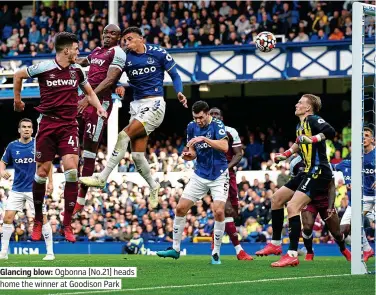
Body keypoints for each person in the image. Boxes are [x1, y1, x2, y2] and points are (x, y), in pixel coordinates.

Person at [13, 32, 107, 243]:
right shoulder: (44, 68)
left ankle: (67, 223)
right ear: (66, 50)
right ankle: (38, 219)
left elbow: (90, 93)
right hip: (47, 124)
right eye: (75, 48)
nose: (78, 52)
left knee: (72, 171)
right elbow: (18, 75)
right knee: (41, 173)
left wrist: (99, 108)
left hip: (68, 126)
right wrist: (17, 101)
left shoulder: (78, 71)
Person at [79, 27, 187, 209]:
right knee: (137, 156)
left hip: (154, 104)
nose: (126, 43)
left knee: (123, 135)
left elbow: (175, 75)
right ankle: (154, 185)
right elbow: (113, 77)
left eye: (130, 40)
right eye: (125, 41)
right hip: (136, 106)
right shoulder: (125, 58)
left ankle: (101, 177)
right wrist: (120, 86)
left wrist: (179, 92)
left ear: (141, 39)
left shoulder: (158, 53)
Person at [255, 94, 336, 267]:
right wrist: (284, 155)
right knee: (276, 199)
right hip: (306, 171)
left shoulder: (314, 119)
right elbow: (299, 143)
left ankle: (292, 253)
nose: (296, 104)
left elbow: (330, 131)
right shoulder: (301, 125)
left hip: (319, 171)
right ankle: (275, 245)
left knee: (293, 206)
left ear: (308, 108)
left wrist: (313, 139)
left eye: (300, 102)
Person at [156, 101, 228, 264]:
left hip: (219, 174)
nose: (198, 121)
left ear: (208, 114)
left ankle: (216, 253)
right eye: (195, 118)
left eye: (201, 118)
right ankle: (175, 249)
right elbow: (193, 151)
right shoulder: (191, 127)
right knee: (180, 208)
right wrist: (189, 155)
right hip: (200, 174)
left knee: (218, 211)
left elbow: (224, 146)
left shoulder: (217, 125)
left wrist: (204, 138)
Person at [72, 24, 126, 215]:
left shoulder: (118, 52)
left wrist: (90, 98)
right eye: (105, 32)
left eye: (112, 33)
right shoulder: (96, 51)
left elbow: (110, 80)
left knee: (89, 151)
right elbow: (83, 61)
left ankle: (80, 200)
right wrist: (68, 58)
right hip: (85, 98)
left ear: (118, 37)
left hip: (100, 103)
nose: (107, 35)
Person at [0, 119, 55, 260]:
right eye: (23, 127)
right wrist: (2, 171)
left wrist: (51, 182)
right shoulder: (12, 146)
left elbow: (47, 163)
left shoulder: (38, 144)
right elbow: (2, 162)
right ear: (19, 130)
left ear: (32, 130)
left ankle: (50, 253)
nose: (26, 129)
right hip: (16, 189)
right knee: (7, 218)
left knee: (42, 218)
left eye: (29, 127)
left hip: (35, 189)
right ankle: (4, 252)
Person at [209, 107, 253, 260]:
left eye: (217, 114)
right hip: (212, 176)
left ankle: (219, 245)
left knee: (231, 212)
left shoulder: (230, 131)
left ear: (222, 117)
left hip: (229, 174)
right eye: (211, 114)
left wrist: (226, 168)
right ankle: (235, 250)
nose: (214, 116)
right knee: (225, 210)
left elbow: (239, 153)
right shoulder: (203, 132)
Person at [290, 155, 351, 261]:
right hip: (308, 198)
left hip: (325, 200)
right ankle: (309, 252)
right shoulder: (294, 163)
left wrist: (331, 206)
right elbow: (294, 181)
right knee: (307, 227)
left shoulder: (323, 163)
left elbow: (331, 186)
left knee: (336, 233)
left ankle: (343, 249)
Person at [333, 129, 375, 262]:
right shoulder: (356, 158)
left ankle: (366, 248)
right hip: (363, 198)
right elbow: (334, 168)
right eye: (362, 136)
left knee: (358, 221)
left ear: (373, 140)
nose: (364, 138)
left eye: (367, 136)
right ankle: (366, 249)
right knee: (340, 232)